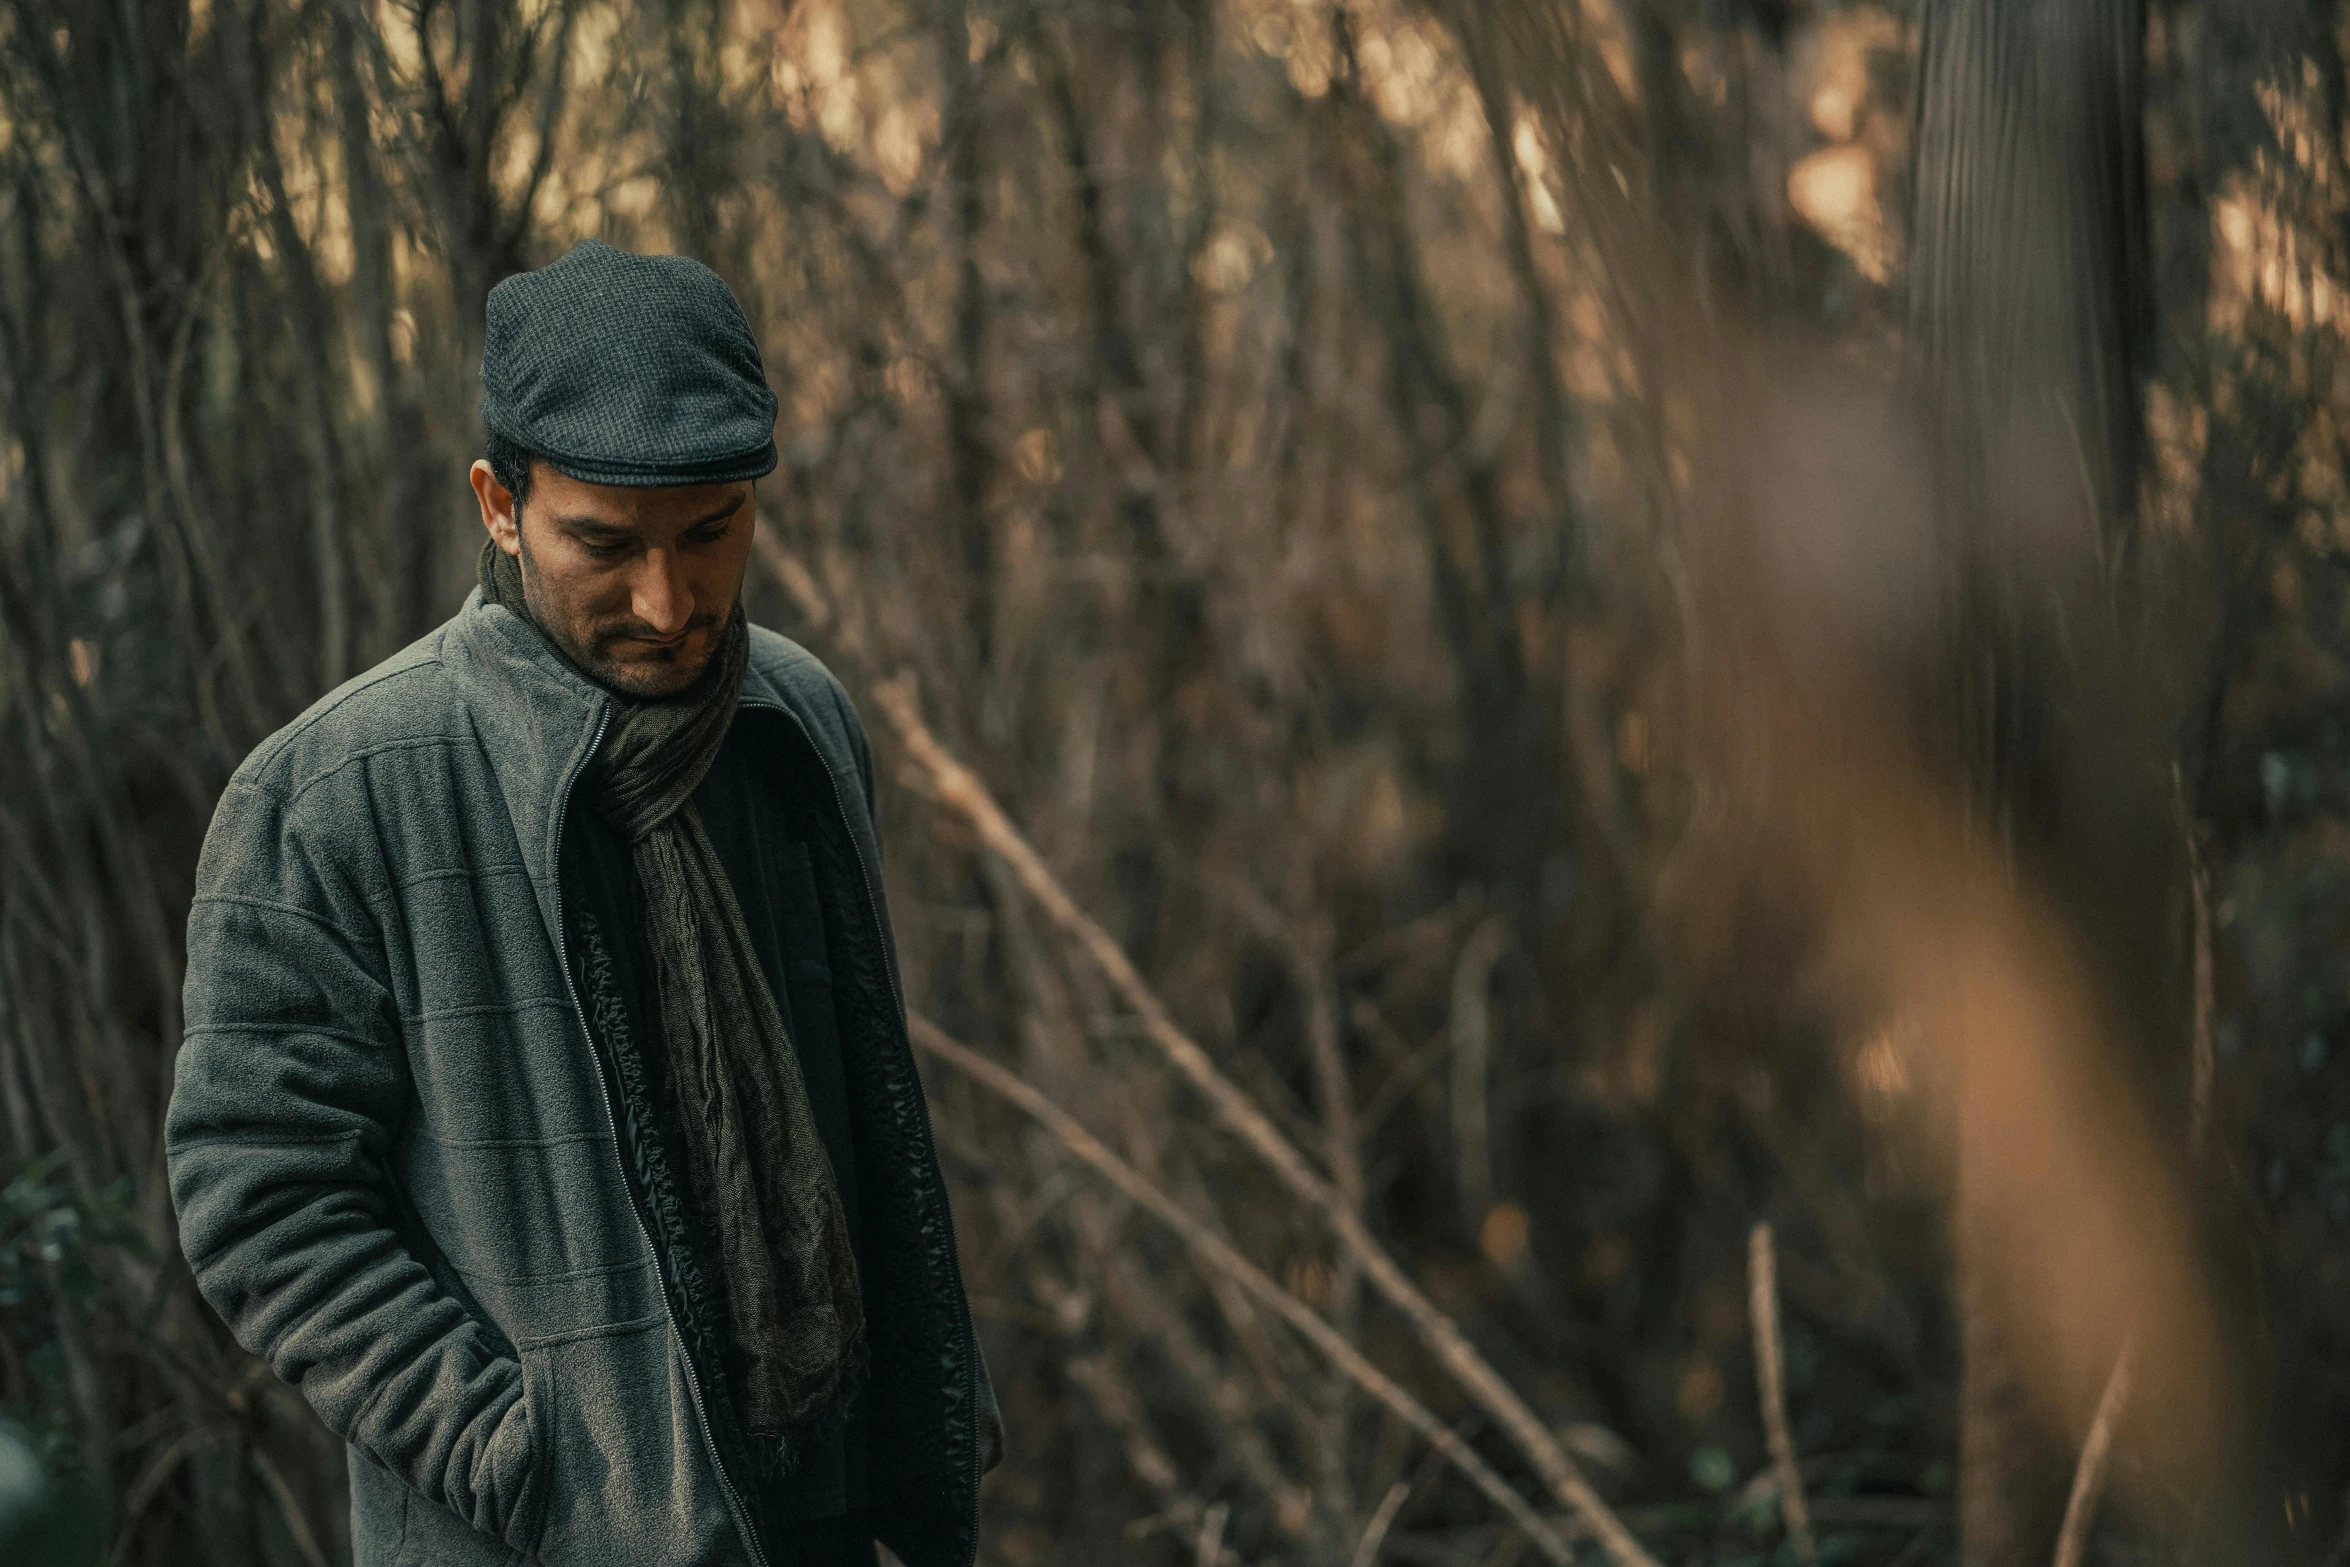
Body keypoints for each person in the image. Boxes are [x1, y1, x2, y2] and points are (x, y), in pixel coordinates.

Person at [165, 238, 1001, 1567]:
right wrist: (518, 1456)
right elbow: (255, 1192)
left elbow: (856, 1116)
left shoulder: (798, 722)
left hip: (822, 1517)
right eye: (603, 546)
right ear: (499, 503)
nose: (666, 603)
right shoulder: (335, 790)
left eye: (710, 533)